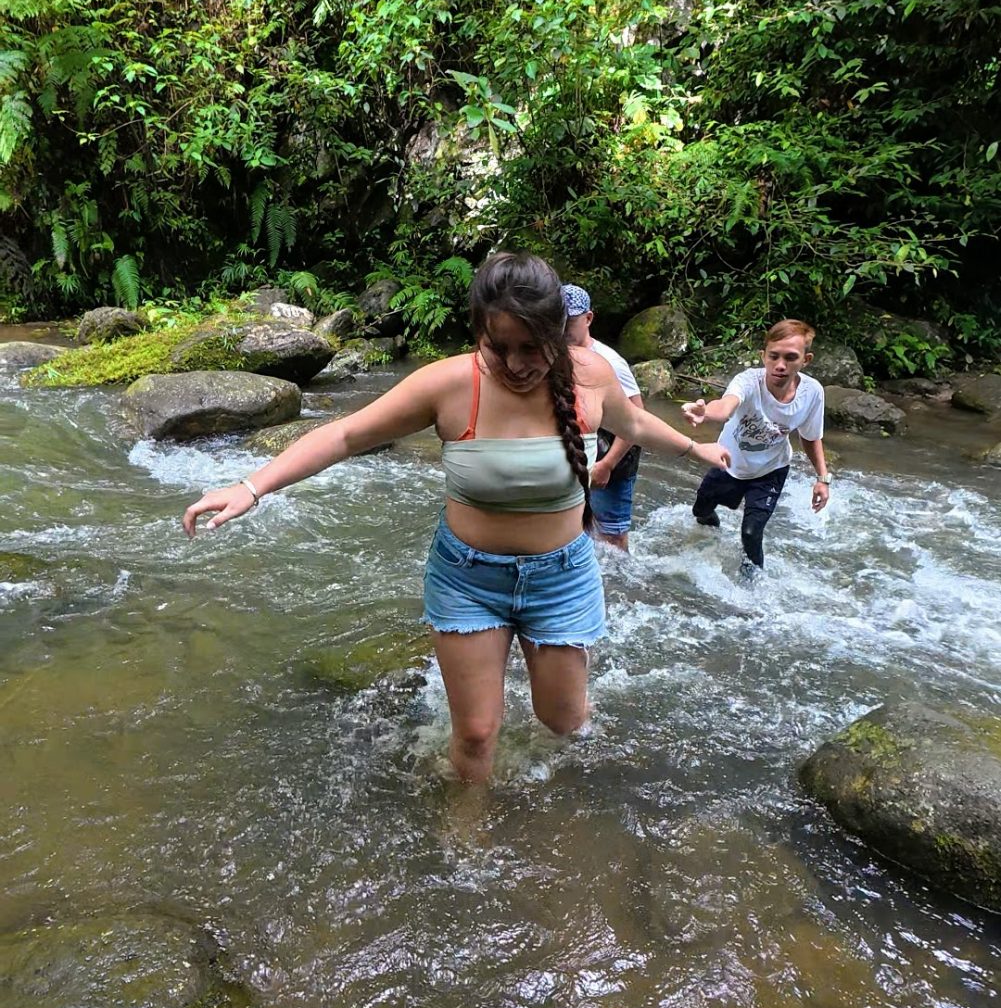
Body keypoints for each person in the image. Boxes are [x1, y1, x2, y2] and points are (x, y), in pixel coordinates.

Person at [182, 253, 730, 783]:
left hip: (562, 576)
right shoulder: (448, 384)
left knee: (564, 721)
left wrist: (692, 449)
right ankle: (466, 832)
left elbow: (632, 423)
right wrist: (252, 487)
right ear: (478, 335)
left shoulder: (590, 375)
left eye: (532, 348)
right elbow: (345, 434)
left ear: (558, 332)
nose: (516, 365)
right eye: (500, 348)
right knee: (475, 733)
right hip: (469, 579)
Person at [681, 318, 831, 576]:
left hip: (771, 470)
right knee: (701, 511)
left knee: (751, 532)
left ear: (805, 360)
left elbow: (810, 436)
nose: (780, 365)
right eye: (774, 356)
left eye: (790, 358)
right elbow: (726, 405)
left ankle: (752, 587)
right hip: (729, 462)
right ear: (763, 356)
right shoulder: (749, 381)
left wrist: (822, 478)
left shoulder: (812, 392)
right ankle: (711, 534)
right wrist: (705, 413)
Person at [561, 283, 644, 551]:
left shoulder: (610, 362)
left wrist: (607, 464)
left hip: (615, 460)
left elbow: (637, 417)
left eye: (569, 321)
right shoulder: (557, 355)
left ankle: (622, 590)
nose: (562, 329)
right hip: (581, 454)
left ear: (588, 318)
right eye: (557, 321)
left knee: (612, 537)